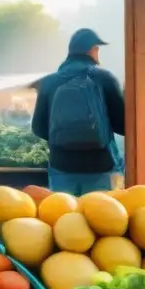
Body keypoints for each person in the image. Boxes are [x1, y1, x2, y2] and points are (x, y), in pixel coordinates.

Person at [31, 28, 126, 195]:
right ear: (93, 49)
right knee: (102, 218)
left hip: (62, 166)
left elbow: (38, 128)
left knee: (65, 217)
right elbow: (122, 125)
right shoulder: (105, 79)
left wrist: (64, 138)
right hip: (100, 166)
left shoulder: (48, 82)